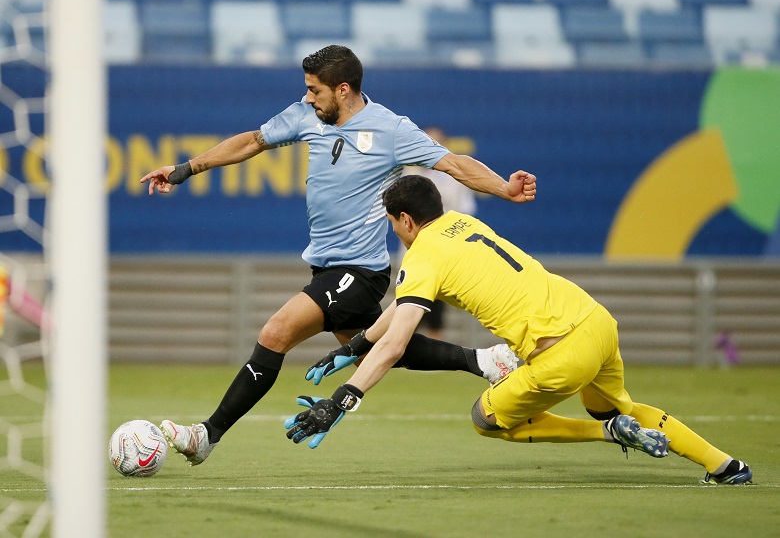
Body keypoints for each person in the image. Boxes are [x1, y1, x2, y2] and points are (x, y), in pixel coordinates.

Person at [139, 45, 536, 466]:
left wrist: (504, 189)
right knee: (372, 349)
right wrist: (185, 170)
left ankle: (207, 434)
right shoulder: (307, 116)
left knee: (276, 333)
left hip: (360, 270)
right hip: (325, 267)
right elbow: (252, 141)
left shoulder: (391, 129)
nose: (308, 98)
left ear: (343, 89)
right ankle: (485, 360)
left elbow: (453, 163)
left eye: (315, 90)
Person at [285, 175, 753, 486]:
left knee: (487, 419)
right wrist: (357, 344)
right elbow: (396, 314)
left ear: (405, 220)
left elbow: (396, 343)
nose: (396, 234)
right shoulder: (461, 223)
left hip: (560, 353)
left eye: (393, 226)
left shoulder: (422, 253)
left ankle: (609, 433)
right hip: (595, 321)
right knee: (613, 404)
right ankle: (725, 465)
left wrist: (341, 400)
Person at [401, 126, 477, 340]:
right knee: (410, 301)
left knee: (437, 304)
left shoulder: (455, 179)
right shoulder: (409, 174)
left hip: (443, 247)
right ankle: (402, 350)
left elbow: (465, 211)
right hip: (415, 249)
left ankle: (434, 352)